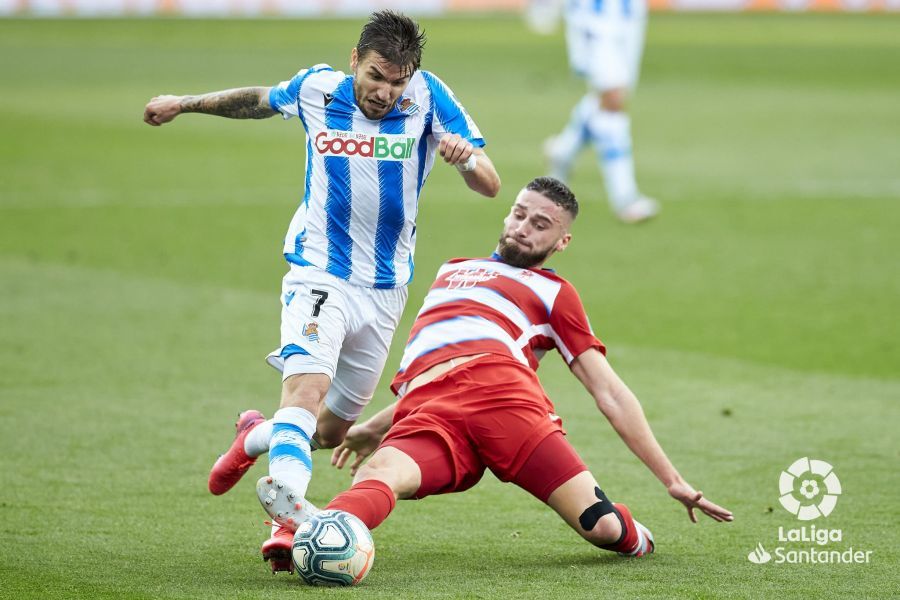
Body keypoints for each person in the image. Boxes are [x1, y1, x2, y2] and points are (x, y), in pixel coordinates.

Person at [143, 10, 501, 571]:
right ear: (355, 60)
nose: (385, 92)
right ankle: (289, 522)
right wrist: (183, 103)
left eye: (397, 82)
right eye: (376, 76)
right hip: (319, 271)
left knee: (332, 429)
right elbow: (258, 99)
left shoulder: (429, 96)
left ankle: (254, 438)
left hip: (385, 288)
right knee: (305, 393)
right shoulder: (317, 89)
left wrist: (466, 160)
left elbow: (490, 183)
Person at [256, 176, 733, 566]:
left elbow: (609, 391)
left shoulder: (554, 292)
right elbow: (437, 365)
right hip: (428, 408)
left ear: (562, 241)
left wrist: (671, 479)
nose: (524, 228)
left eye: (541, 224)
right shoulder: (450, 270)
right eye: (519, 214)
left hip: (505, 402)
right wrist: (375, 427)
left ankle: (633, 536)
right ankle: (306, 534)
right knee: (379, 472)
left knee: (602, 528)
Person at [539, 0, 660, 223]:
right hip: (594, 16)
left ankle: (562, 152)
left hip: (629, 14)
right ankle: (624, 197)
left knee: (608, 100)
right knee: (613, 98)